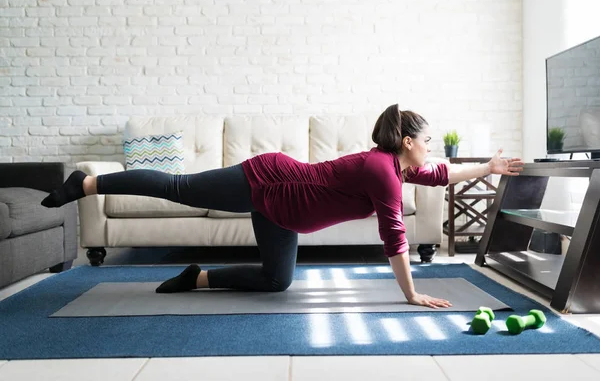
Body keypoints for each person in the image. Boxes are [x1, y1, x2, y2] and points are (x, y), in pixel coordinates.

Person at [41, 104, 524, 309]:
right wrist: (410, 295)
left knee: (278, 281)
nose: (430, 147)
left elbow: (443, 173)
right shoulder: (382, 170)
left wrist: (488, 167)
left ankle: (199, 277)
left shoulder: (398, 168)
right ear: (406, 141)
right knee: (180, 186)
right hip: (267, 182)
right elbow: (395, 238)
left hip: (282, 212)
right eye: (427, 140)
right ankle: (86, 183)